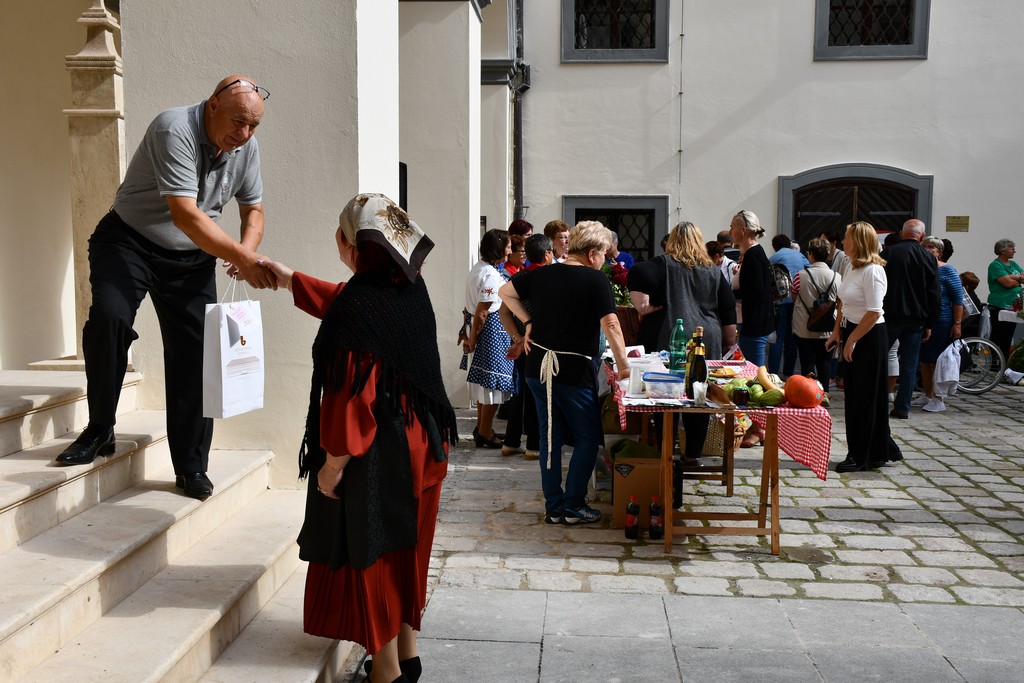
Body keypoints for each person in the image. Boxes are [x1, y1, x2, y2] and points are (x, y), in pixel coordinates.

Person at [261, 193, 455, 683]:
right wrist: (288, 279)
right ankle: (407, 655)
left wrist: (331, 467)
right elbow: (351, 308)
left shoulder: (359, 309)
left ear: (350, 243)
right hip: (426, 443)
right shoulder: (410, 289)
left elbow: (352, 404)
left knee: (376, 558)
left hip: (382, 451)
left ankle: (385, 673)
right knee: (408, 552)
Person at [53, 75, 275, 501]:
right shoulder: (173, 129)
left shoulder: (245, 146)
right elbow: (185, 216)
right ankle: (100, 429)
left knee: (197, 353)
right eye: (238, 122)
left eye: (254, 125)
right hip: (129, 241)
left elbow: (254, 210)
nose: (245, 133)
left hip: (192, 257)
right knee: (110, 318)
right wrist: (244, 259)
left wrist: (245, 251)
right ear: (213, 105)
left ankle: (191, 465)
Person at [498, 221, 630, 525]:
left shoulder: (542, 274)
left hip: (538, 368)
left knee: (550, 438)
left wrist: (527, 323)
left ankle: (554, 506)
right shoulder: (595, 280)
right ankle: (573, 504)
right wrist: (624, 366)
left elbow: (505, 293)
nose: (604, 261)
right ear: (593, 253)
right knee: (588, 436)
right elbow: (611, 324)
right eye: (604, 254)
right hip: (571, 370)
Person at [628, 221, 737, 478]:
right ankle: (692, 455)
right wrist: (728, 339)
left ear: (672, 241)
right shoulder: (713, 271)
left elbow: (638, 272)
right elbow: (728, 309)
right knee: (699, 395)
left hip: (670, 335)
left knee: (665, 393)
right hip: (705, 338)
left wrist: (645, 306)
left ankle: (665, 450)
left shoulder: (661, 265)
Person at [827, 222, 902, 472]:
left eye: (847, 237)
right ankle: (878, 447)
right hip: (853, 331)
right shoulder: (851, 265)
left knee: (865, 397)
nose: (843, 241)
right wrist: (837, 331)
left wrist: (853, 339)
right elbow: (842, 302)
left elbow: (874, 311)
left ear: (858, 241)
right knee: (855, 396)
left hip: (869, 337)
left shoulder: (873, 271)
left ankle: (862, 455)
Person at [498, 234, 555, 461]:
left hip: (523, 342)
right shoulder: (549, 278)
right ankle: (533, 445)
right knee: (536, 395)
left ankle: (511, 442)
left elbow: (503, 312)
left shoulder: (519, 277)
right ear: (547, 254)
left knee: (521, 392)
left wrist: (518, 338)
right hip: (541, 343)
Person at [460, 229, 516, 448]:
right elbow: (482, 312)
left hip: (480, 329)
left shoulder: (479, 268)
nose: (510, 251)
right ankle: (484, 431)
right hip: (489, 333)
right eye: (508, 247)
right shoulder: (490, 274)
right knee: (493, 383)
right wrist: (473, 339)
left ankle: (483, 427)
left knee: (485, 384)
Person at [880, 219, 940, 420]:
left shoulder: (888, 253)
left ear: (901, 233)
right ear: (921, 236)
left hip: (889, 315)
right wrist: (930, 323)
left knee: (879, 358)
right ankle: (902, 406)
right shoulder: (928, 257)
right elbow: (934, 293)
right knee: (909, 363)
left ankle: (875, 400)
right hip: (916, 318)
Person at [913, 236, 965, 412]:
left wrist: (957, 323)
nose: (928, 249)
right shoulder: (920, 269)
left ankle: (938, 397)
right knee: (925, 360)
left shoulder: (948, 270)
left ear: (939, 252)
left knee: (938, 360)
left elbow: (958, 299)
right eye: (925, 246)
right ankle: (928, 394)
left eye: (932, 247)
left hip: (942, 320)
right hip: (923, 319)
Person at [792, 238, 842, 390]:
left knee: (807, 362)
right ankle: (824, 393)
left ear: (811, 255)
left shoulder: (800, 275)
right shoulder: (837, 276)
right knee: (825, 362)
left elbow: (794, 297)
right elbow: (840, 300)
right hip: (828, 328)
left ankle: (808, 393)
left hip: (804, 326)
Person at [730, 210, 775, 367]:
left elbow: (755, 291)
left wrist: (729, 294)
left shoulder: (752, 254)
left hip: (754, 323)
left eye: (732, 227)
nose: (730, 232)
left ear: (743, 230)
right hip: (754, 321)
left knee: (754, 370)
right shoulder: (753, 252)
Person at [768, 234, 810, 378]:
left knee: (777, 338)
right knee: (792, 338)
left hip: (779, 302)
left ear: (774, 247)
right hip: (797, 301)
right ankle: (788, 373)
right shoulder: (799, 255)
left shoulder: (773, 258)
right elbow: (810, 269)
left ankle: (773, 373)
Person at [986, 239, 1024, 359]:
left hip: (1014, 305)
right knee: (998, 335)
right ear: (1003, 251)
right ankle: (993, 362)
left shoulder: (1013, 264)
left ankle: (1005, 360)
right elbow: (1007, 283)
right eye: (1012, 248)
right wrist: (1018, 279)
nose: (1014, 251)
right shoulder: (995, 265)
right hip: (1000, 305)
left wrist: (1013, 277)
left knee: (1008, 335)